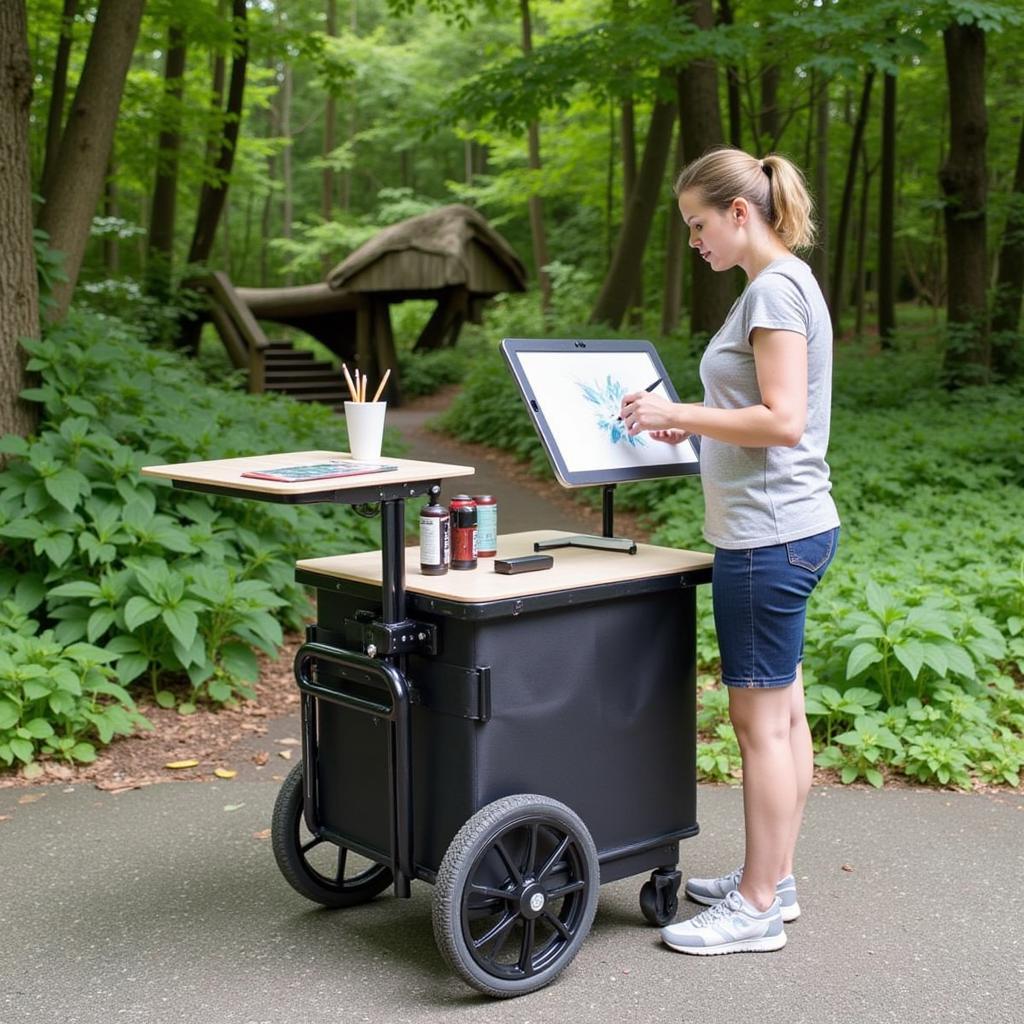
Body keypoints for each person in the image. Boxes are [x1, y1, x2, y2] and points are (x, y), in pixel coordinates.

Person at [619, 147, 840, 956]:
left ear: (739, 214)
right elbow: (758, 408)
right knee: (783, 713)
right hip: (789, 526)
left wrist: (681, 408)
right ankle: (772, 880)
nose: (694, 241)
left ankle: (753, 907)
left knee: (759, 726)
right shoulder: (779, 285)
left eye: (698, 225)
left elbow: (782, 420)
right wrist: (692, 420)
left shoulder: (775, 288)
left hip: (767, 536)